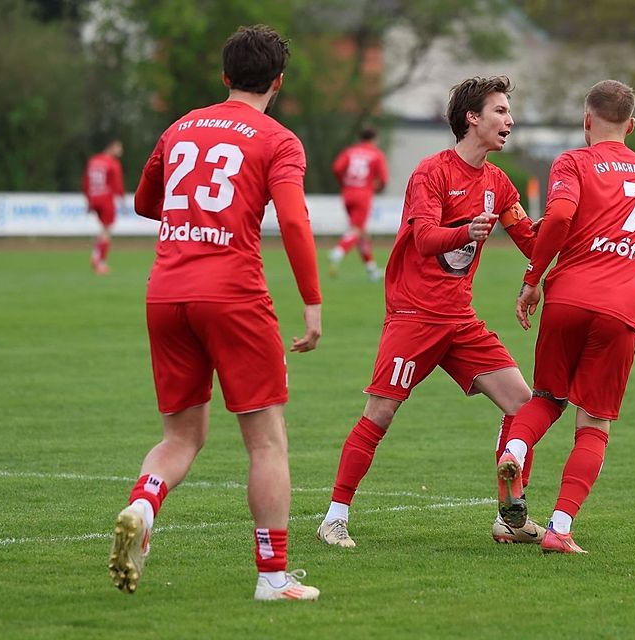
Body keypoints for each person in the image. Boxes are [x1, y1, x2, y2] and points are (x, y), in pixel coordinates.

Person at [107, 24, 323, 601]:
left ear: (225, 77)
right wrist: (311, 302)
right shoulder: (277, 139)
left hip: (165, 292)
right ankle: (273, 578)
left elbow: (144, 203)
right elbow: (295, 221)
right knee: (266, 441)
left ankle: (143, 504)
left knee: (180, 435)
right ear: (277, 81)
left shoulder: (180, 126)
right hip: (232, 293)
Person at [316, 76, 547, 550]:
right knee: (379, 413)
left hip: (460, 320)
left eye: (509, 112)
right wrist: (466, 230)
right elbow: (423, 238)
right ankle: (334, 517)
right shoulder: (431, 173)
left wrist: (569, 224)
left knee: (524, 406)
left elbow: (530, 240)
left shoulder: (499, 184)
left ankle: (510, 514)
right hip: (414, 316)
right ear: (472, 118)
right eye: (500, 111)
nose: (510, 120)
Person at [497, 79, 635, 554]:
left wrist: (533, 278)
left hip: (569, 297)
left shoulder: (573, 160)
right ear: (631, 125)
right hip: (623, 308)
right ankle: (560, 527)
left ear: (586, 119)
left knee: (547, 396)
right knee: (594, 423)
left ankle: (513, 451)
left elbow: (561, 217)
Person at [328, 127, 389, 281]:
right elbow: (383, 179)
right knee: (356, 230)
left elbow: (337, 168)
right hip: (363, 195)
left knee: (362, 233)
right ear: (374, 139)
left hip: (348, 193)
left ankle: (371, 270)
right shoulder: (376, 154)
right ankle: (339, 251)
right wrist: (376, 188)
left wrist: (344, 183)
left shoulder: (350, 151)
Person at [82, 139, 125, 275]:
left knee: (103, 230)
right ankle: (100, 262)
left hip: (94, 197)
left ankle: (95, 256)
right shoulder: (113, 163)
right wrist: (122, 200)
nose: (120, 151)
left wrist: (88, 200)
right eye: (119, 148)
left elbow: (85, 181)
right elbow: (117, 183)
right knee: (107, 232)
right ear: (111, 147)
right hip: (106, 197)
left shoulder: (94, 160)